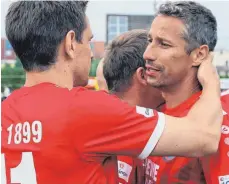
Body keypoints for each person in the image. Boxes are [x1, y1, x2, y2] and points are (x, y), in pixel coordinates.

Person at [1, 1, 223, 184]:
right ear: (70, 43)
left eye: (162, 44)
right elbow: (204, 137)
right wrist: (210, 79)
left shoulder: (6, 112)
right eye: (88, 40)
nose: (90, 52)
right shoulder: (83, 108)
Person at [142, 1, 229, 183]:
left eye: (164, 44)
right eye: (150, 41)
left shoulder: (216, 125)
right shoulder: (152, 110)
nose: (148, 54)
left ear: (199, 55)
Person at [103, 29, 165, 184]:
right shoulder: (124, 125)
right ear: (144, 75)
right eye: (160, 70)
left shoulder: (107, 118)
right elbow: (205, 140)